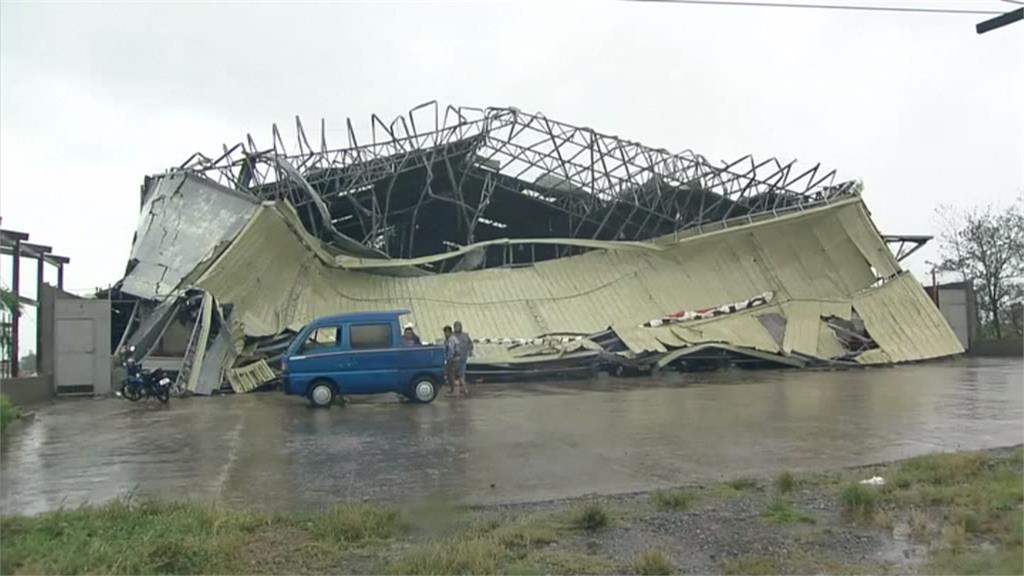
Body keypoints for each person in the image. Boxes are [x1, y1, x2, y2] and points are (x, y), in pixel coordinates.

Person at [452, 321, 473, 397]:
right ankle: (461, 389)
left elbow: (470, 344)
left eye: (459, 326)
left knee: (462, 373)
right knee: (455, 374)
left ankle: (462, 388)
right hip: (454, 359)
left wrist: (470, 351)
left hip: (463, 358)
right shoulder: (452, 336)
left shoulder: (465, 335)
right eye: (456, 326)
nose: (457, 328)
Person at [442, 325, 456, 395]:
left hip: (451, 359)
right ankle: (451, 389)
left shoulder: (452, 340)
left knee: (451, 375)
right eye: (445, 332)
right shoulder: (446, 340)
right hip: (447, 358)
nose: (445, 334)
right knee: (449, 374)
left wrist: (449, 359)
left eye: (447, 332)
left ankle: (452, 389)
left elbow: (451, 350)